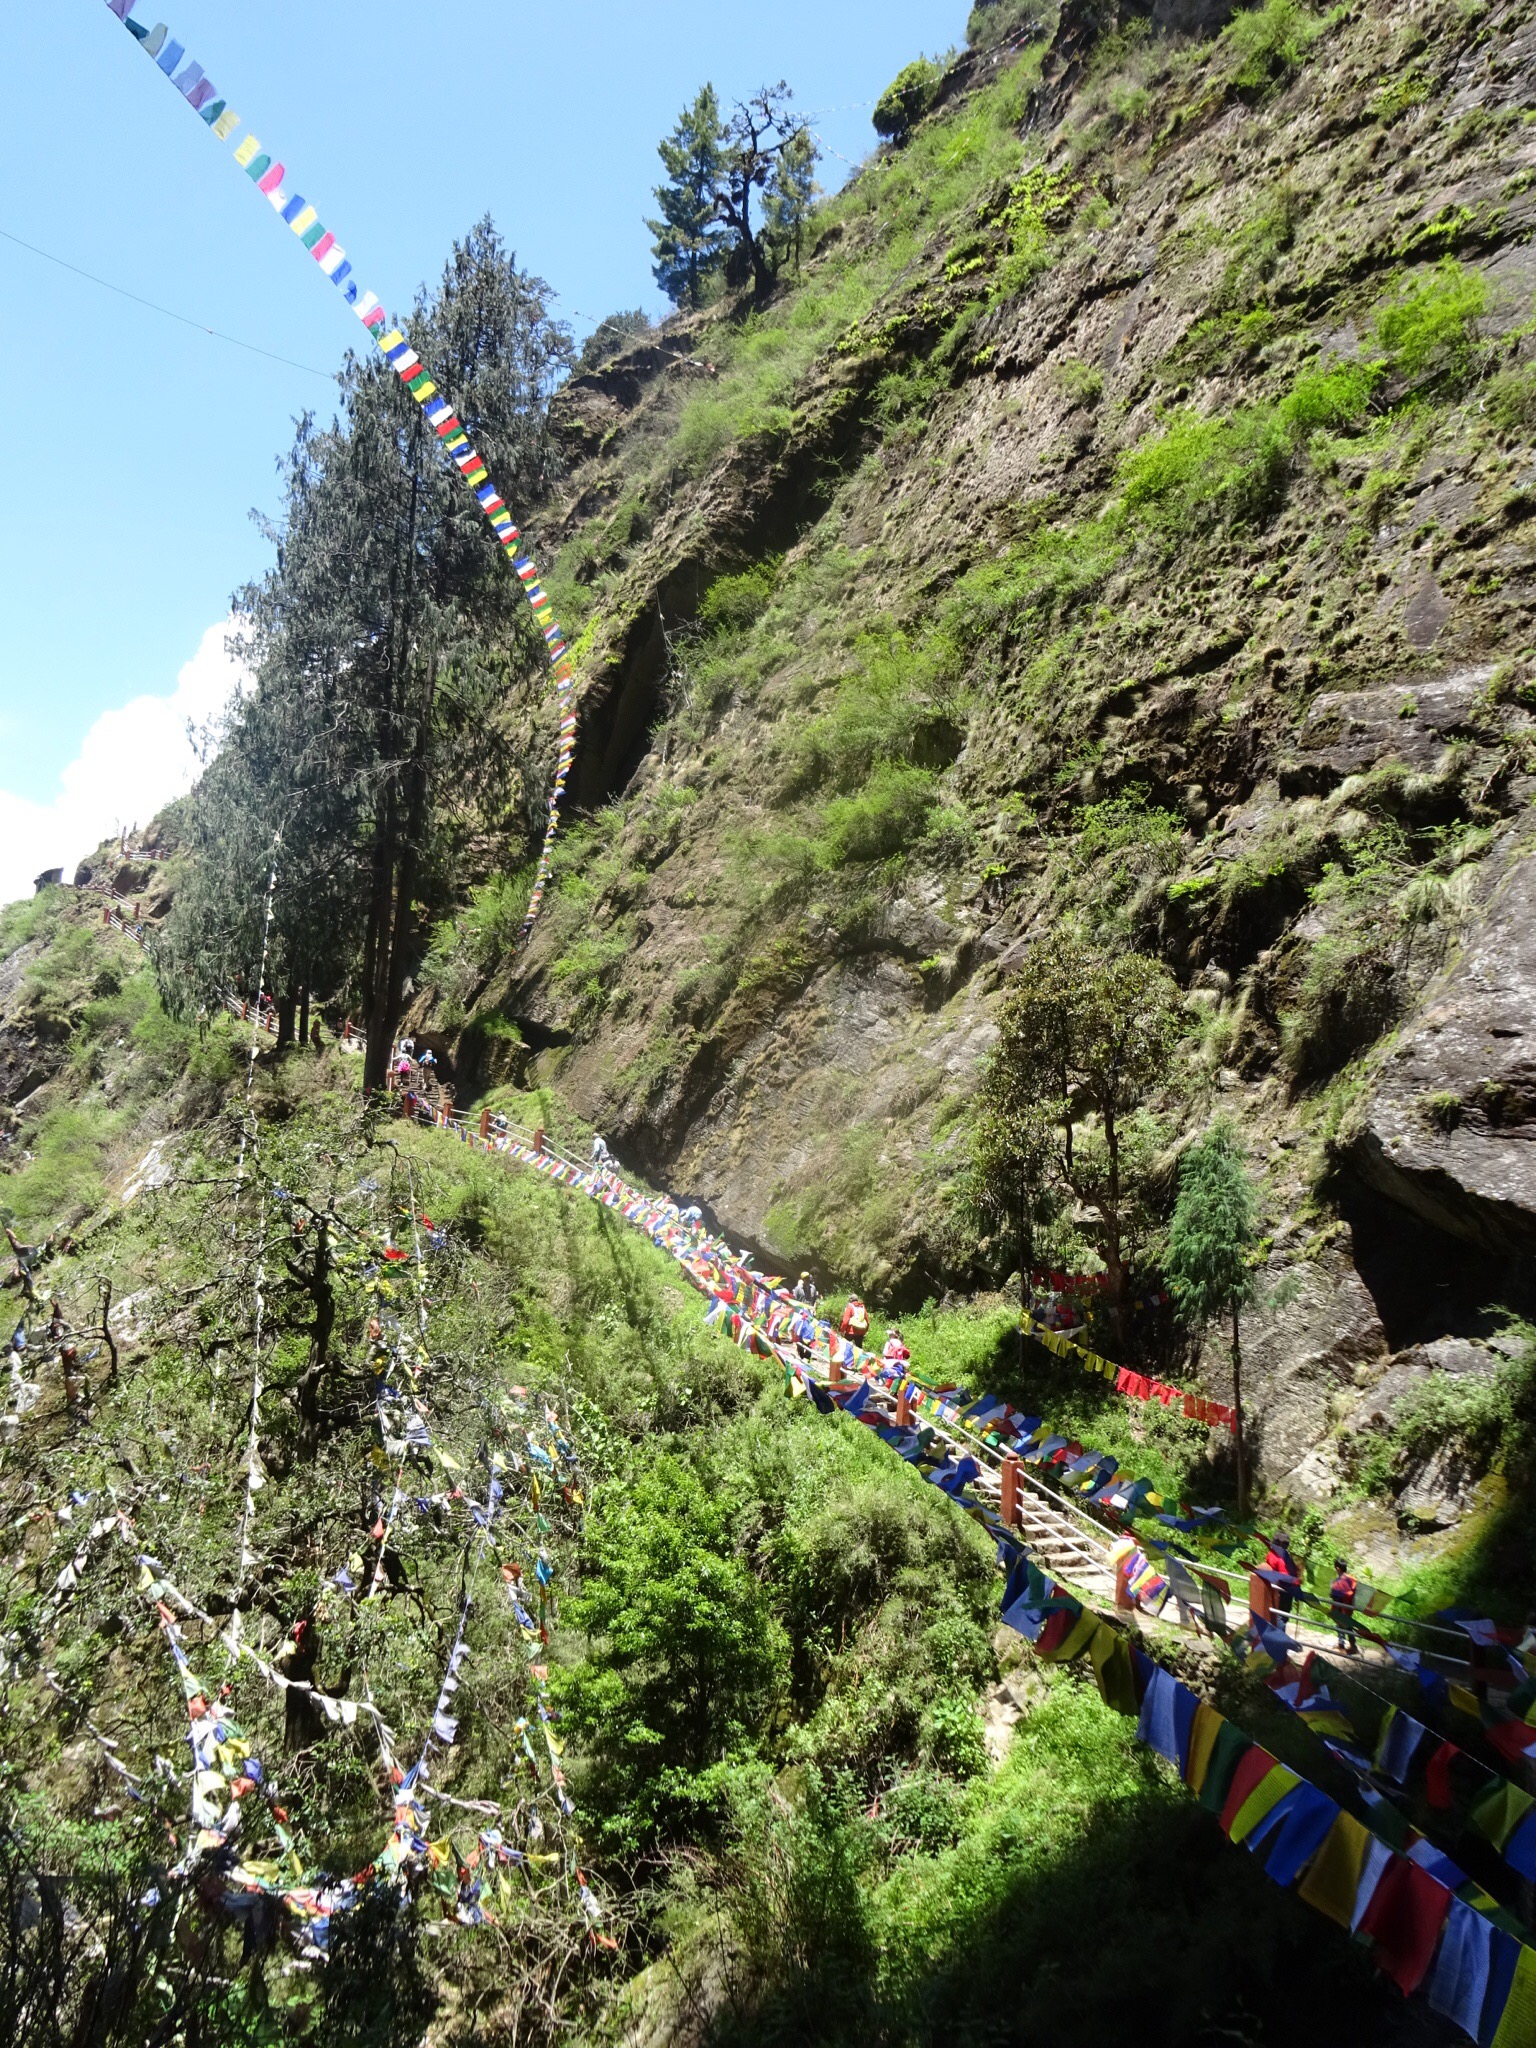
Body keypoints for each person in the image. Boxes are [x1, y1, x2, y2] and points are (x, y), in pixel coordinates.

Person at [1264, 1529, 1300, 1623]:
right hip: (1283, 1591)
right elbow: (1285, 1576)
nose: (1286, 1546)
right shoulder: (1280, 1558)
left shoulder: (1271, 1554)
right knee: (1282, 1618)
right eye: (1285, 1544)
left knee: (1275, 1616)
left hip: (1275, 1589)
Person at [1330, 1557, 1359, 1654]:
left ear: (1338, 1569)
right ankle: (1342, 1643)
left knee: (1345, 1626)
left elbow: (1333, 1594)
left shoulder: (1339, 1581)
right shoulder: (1352, 1579)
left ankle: (1352, 1646)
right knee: (1344, 1624)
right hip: (1349, 1606)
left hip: (1341, 1607)